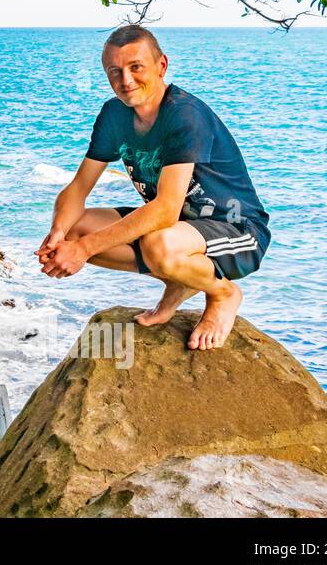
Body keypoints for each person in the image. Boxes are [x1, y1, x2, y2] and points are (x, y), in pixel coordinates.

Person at [36, 25, 271, 350]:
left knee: (157, 243)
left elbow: (165, 209)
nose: (126, 81)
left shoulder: (184, 115)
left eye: (136, 67)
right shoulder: (115, 114)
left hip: (238, 230)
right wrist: (58, 236)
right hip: (181, 229)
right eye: (114, 71)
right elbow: (78, 187)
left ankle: (223, 293)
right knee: (77, 229)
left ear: (161, 66)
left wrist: (84, 250)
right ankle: (179, 280)